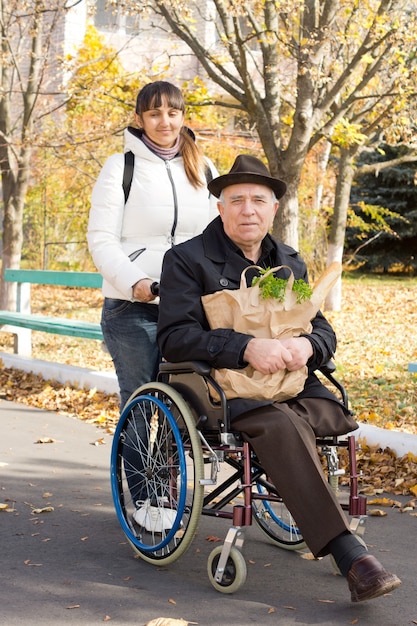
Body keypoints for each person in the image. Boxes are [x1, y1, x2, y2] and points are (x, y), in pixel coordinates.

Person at [156, 154, 401, 602]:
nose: (248, 210)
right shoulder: (188, 260)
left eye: (258, 200)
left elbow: (321, 327)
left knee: (330, 414)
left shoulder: (287, 260)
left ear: (273, 208)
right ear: (220, 208)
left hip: (289, 380)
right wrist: (246, 347)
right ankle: (350, 555)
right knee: (283, 426)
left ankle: (306, 499)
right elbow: (175, 337)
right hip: (223, 387)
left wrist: (309, 346)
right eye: (237, 200)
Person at [87, 81, 218, 520]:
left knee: (189, 400)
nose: (165, 122)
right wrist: (136, 281)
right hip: (134, 307)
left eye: (173, 112)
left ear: (184, 116)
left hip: (190, 306)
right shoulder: (120, 166)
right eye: (155, 113)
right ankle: (145, 496)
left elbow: (220, 234)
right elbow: (101, 239)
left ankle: (176, 484)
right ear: (140, 118)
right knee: (144, 400)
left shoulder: (204, 167)